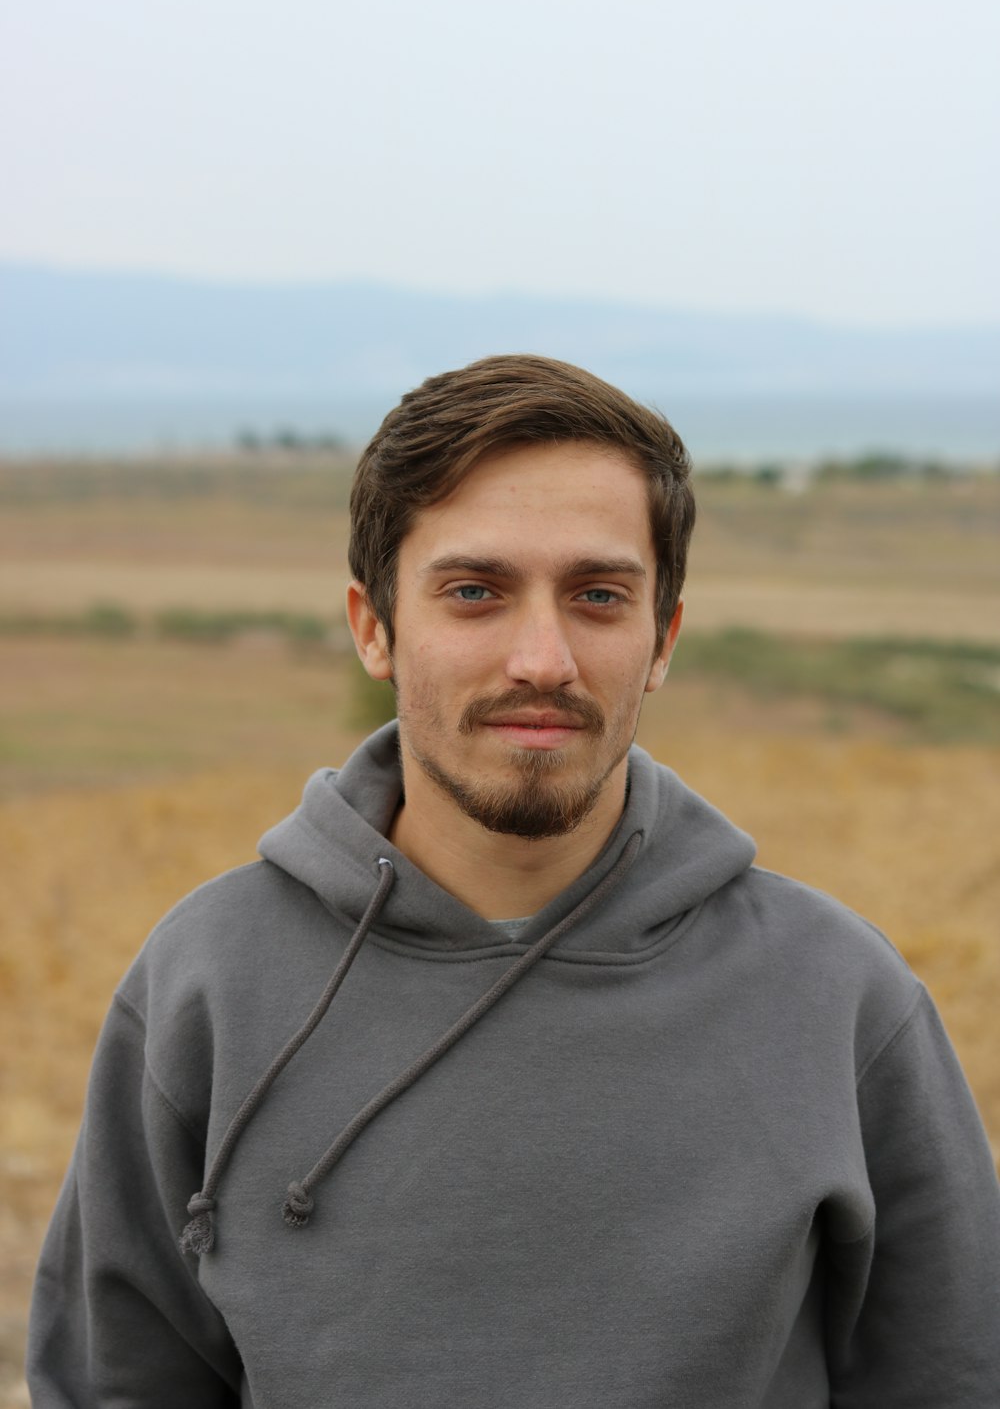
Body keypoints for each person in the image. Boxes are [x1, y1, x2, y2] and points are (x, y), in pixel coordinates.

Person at [28, 355, 1000, 1407]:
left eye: (596, 595)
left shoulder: (837, 998)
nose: (543, 658)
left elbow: (956, 1375)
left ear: (660, 638)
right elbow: (113, 1384)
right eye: (474, 592)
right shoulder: (208, 982)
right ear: (373, 627)